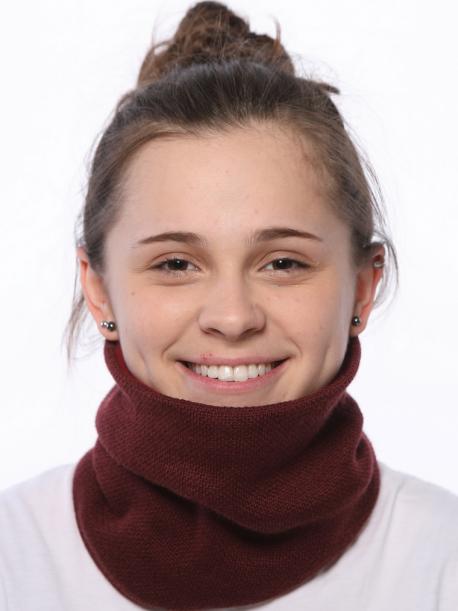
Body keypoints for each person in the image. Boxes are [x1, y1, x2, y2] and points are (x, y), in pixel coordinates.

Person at [0, 2, 457, 610]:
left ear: (363, 287)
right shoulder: (13, 556)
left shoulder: (443, 558)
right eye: (176, 264)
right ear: (98, 288)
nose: (234, 318)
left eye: (283, 263)